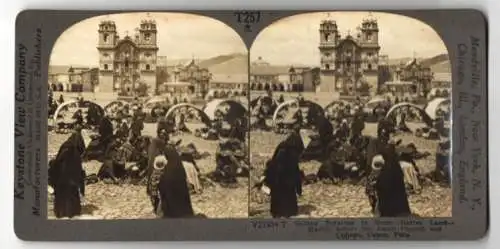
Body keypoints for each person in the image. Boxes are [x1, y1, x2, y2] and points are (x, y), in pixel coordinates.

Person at [264, 126, 304, 218]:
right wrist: (298, 187)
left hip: (279, 178)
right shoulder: (289, 153)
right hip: (282, 179)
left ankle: (279, 211)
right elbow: (293, 171)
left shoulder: (283, 146)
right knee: (286, 196)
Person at [48, 129, 86, 218]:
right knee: (71, 196)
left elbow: (58, 161)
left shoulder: (66, 146)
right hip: (69, 180)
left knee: (63, 196)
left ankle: (62, 212)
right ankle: (71, 212)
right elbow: (77, 170)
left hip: (62, 179)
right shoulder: (73, 152)